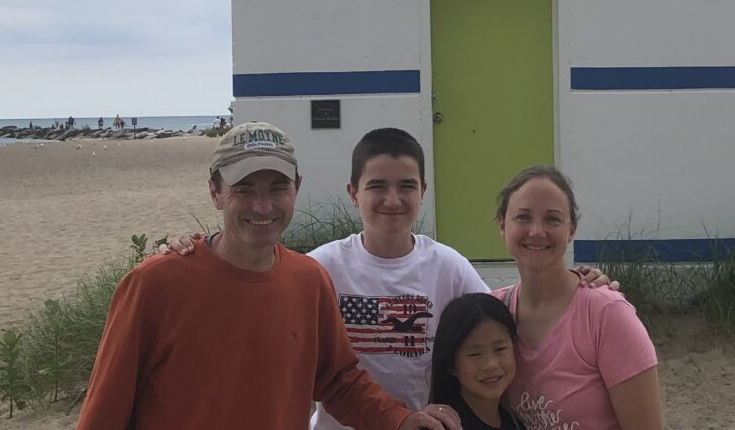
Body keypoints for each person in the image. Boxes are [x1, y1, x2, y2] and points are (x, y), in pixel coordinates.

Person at [161, 128, 614, 429]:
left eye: (407, 186)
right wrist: (195, 249)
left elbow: (504, 322)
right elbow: (252, 285)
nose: (392, 200)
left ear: (423, 192)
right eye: (377, 186)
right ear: (353, 192)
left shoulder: (448, 267)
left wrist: (578, 286)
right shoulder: (319, 267)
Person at [75, 122, 461, 430]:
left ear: (297, 188)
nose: (263, 205)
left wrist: (399, 420)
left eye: (277, 187)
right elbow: (105, 409)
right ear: (215, 191)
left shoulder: (309, 279)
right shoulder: (154, 284)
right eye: (244, 188)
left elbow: (338, 380)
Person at [491, 166, 662, 430]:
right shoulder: (493, 314)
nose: (537, 231)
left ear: (571, 230)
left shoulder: (607, 315)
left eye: (552, 219)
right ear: (503, 225)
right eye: (523, 217)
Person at [430, 294, 524, 430]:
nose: (491, 364)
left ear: (514, 347)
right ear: (451, 365)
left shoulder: (514, 421)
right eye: (474, 354)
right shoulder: (443, 425)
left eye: (500, 349)